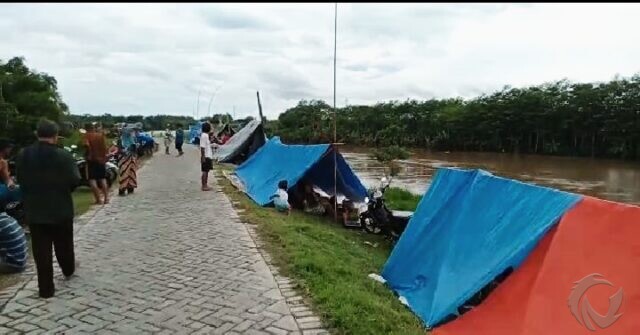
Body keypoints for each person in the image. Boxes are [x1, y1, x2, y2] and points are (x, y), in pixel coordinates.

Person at [16, 119, 81, 298]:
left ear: (37, 134)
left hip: (35, 208)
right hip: (60, 207)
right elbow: (75, 180)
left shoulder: (23, 154)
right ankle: (68, 268)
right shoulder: (64, 156)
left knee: (41, 250)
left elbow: (19, 177)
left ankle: (46, 288)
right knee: (64, 244)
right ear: (55, 135)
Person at [82, 123, 109, 205]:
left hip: (92, 160)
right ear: (93, 128)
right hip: (101, 159)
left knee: (92, 179)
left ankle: (98, 199)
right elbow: (105, 147)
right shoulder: (100, 136)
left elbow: (86, 145)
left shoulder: (87, 136)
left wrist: (87, 154)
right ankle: (106, 198)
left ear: (86, 129)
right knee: (102, 178)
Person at [118, 125, 138, 196]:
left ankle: (130, 187)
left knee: (130, 173)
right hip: (125, 158)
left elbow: (134, 148)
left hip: (130, 158)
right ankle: (122, 189)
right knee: (125, 173)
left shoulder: (130, 138)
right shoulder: (121, 139)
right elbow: (120, 150)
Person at [0, 139, 19, 205]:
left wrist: (12, 185)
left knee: (17, 190)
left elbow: (6, 179)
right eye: (9, 148)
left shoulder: (3, 162)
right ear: (4, 148)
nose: (10, 150)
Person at [200, 122, 214, 191]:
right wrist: (203, 157)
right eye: (210, 127)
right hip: (206, 156)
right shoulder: (204, 136)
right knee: (205, 171)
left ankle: (205, 185)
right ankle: (204, 186)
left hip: (207, 156)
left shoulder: (206, 135)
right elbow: (202, 147)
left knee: (206, 171)